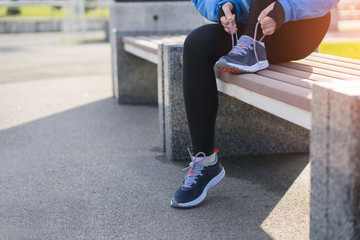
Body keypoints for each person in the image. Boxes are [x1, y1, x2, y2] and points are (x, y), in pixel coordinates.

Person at [170, 0, 339, 208]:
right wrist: (220, 5)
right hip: (243, 29)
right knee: (197, 43)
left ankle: (252, 44)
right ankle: (205, 161)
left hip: (297, 26)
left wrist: (286, 8)